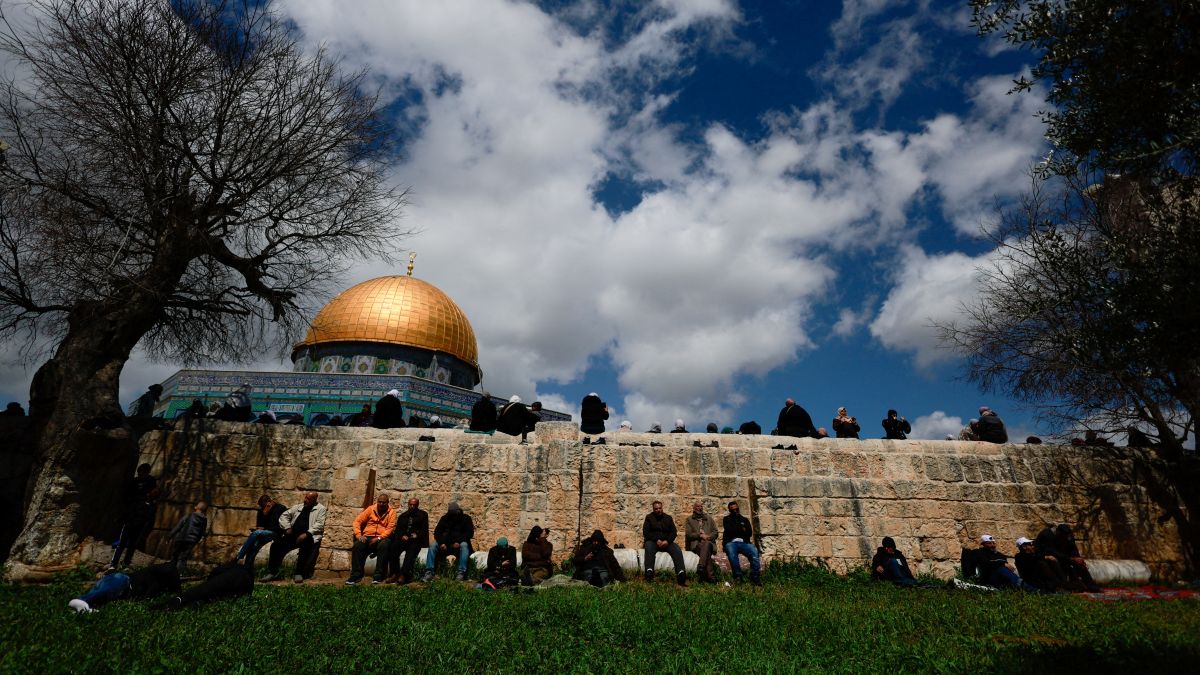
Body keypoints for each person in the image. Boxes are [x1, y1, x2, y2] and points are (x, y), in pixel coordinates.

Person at [263, 492, 327, 584]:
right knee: (275, 545)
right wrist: (287, 527)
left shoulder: (321, 509)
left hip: (308, 535)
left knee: (305, 545)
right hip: (293, 534)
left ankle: (299, 572)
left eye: (308, 499)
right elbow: (284, 516)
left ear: (314, 500)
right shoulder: (298, 507)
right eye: (306, 497)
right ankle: (272, 572)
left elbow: (319, 524)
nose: (305, 500)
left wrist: (307, 533)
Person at [69, 562, 181, 613]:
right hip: (123, 580)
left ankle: (83, 607)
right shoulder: (156, 579)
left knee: (104, 594)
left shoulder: (157, 582)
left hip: (122, 587)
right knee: (105, 590)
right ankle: (81, 601)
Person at [346, 493, 397, 585]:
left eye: (384, 502)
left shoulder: (392, 512)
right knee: (358, 545)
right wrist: (359, 535)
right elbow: (357, 522)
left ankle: (378, 575)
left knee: (384, 545)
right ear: (377, 502)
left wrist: (379, 538)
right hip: (367, 536)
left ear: (387, 503)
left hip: (382, 537)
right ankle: (356, 575)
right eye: (379, 502)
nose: (381, 504)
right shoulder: (370, 509)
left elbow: (390, 528)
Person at [160, 562, 254, 610]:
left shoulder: (230, 570)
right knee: (208, 595)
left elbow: (215, 574)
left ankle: (178, 601)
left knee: (201, 591)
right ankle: (185, 602)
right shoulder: (242, 573)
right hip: (241, 583)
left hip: (234, 579)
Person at [1035, 524, 1100, 592]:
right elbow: (1052, 551)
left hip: (1064, 557)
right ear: (1058, 532)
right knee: (1055, 562)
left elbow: (1073, 548)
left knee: (1080, 564)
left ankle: (1092, 587)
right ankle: (1067, 586)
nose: (1064, 538)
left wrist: (1077, 558)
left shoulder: (1068, 535)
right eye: (1062, 537)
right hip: (1048, 558)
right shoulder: (1046, 535)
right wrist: (1071, 559)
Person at [423, 502, 475, 582]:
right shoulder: (445, 518)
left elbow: (469, 533)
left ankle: (461, 572)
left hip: (459, 543)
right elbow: (437, 532)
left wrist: (459, 541)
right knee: (433, 546)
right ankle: (429, 572)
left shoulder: (466, 518)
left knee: (464, 545)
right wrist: (441, 543)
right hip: (446, 544)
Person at [966, 535, 1038, 591]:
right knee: (1001, 569)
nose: (993, 545)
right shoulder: (978, 553)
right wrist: (1002, 564)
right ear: (983, 544)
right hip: (988, 577)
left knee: (1006, 571)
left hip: (1002, 579)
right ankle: (1029, 588)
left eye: (993, 543)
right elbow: (985, 564)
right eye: (989, 543)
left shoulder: (1000, 555)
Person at [111, 487, 159, 570]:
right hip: (129, 525)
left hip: (139, 529)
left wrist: (146, 533)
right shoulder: (139, 500)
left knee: (132, 546)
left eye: (156, 494)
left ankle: (126, 563)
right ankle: (113, 564)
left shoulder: (153, 506)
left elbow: (151, 520)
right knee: (121, 544)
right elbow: (129, 511)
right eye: (153, 493)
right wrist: (121, 519)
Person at [235, 495, 286, 570]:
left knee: (256, 533)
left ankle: (239, 556)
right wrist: (264, 515)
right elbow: (259, 525)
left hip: (276, 533)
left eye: (265, 506)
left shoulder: (280, 508)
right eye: (262, 506)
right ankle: (247, 568)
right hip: (265, 533)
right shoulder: (262, 511)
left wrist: (264, 528)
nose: (263, 508)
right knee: (254, 544)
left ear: (270, 502)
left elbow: (279, 527)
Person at [386, 497, 429, 584]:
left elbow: (424, 529)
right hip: (404, 539)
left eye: (414, 505)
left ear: (417, 505)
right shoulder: (403, 516)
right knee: (393, 548)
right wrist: (402, 536)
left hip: (415, 540)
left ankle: (404, 575)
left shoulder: (423, 515)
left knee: (411, 552)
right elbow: (398, 530)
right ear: (408, 505)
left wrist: (417, 535)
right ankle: (395, 573)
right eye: (411, 505)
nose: (412, 506)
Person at [642, 500, 686, 585]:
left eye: (660, 508)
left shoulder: (668, 518)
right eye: (656, 509)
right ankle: (649, 571)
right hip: (654, 542)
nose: (658, 510)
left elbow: (674, 532)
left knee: (677, 549)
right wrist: (656, 540)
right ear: (653, 509)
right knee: (648, 546)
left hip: (667, 542)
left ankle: (681, 572)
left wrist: (667, 541)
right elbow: (646, 532)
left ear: (662, 508)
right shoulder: (649, 517)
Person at [723, 501, 762, 585]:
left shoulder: (744, 519)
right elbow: (729, 531)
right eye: (733, 510)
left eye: (736, 509)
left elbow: (749, 533)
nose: (735, 511)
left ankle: (755, 577)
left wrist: (738, 529)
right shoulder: (726, 519)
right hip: (731, 542)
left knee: (754, 551)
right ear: (729, 510)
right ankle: (738, 577)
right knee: (732, 554)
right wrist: (741, 529)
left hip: (744, 542)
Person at [168, 502, 209, 574]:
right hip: (191, 541)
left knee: (175, 555)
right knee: (183, 558)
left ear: (196, 507)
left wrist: (169, 536)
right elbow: (201, 532)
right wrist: (196, 541)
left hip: (181, 538)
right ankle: (178, 574)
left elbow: (179, 526)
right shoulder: (204, 520)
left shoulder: (189, 515)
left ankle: (170, 572)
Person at [684, 501, 719, 583]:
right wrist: (699, 535)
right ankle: (711, 577)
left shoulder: (709, 518)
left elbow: (715, 532)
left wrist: (708, 536)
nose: (699, 508)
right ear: (694, 508)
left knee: (706, 544)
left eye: (701, 506)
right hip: (697, 545)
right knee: (707, 553)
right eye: (697, 506)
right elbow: (688, 534)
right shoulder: (689, 520)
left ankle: (701, 566)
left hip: (709, 543)